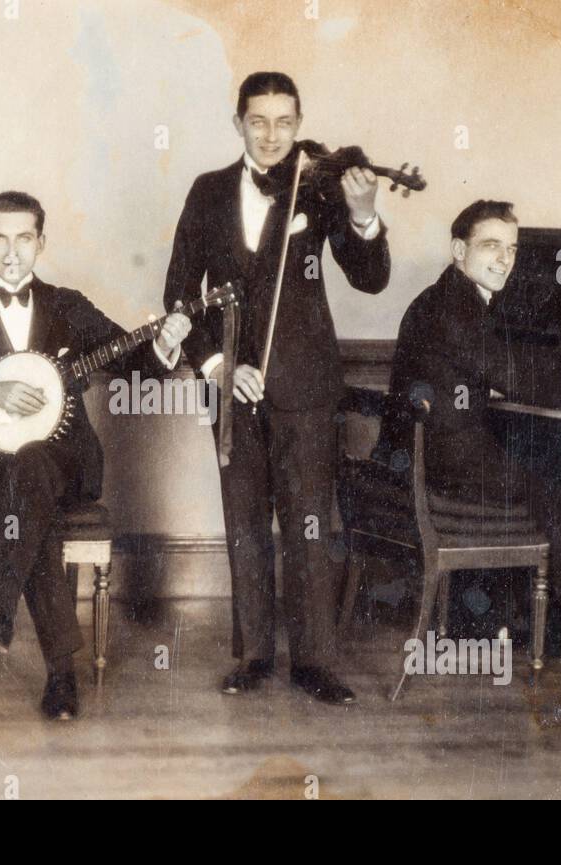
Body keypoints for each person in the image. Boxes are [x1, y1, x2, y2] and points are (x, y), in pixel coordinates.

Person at [0, 191, 191, 720]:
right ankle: (61, 677)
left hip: (65, 465)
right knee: (28, 498)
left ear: (41, 242)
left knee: (34, 468)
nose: (12, 252)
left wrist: (164, 344)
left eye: (23, 238)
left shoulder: (68, 306)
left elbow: (133, 363)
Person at [162, 72, 392, 704]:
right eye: (258, 121)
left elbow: (369, 279)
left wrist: (365, 216)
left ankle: (316, 661)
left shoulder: (317, 190)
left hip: (308, 385)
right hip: (232, 385)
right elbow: (180, 292)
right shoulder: (207, 192)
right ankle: (255, 654)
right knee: (244, 522)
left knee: (311, 521)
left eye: (284, 122)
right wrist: (216, 365)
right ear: (238, 122)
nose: (272, 135)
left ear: (299, 122)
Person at [383, 199, 561, 653]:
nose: (505, 259)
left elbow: (476, 369)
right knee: (554, 488)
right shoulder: (456, 307)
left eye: (513, 248)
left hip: (424, 454)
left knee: (545, 472)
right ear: (459, 250)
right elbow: (514, 371)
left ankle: (502, 618)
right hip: (444, 465)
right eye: (491, 246)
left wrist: (491, 388)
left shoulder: (443, 298)